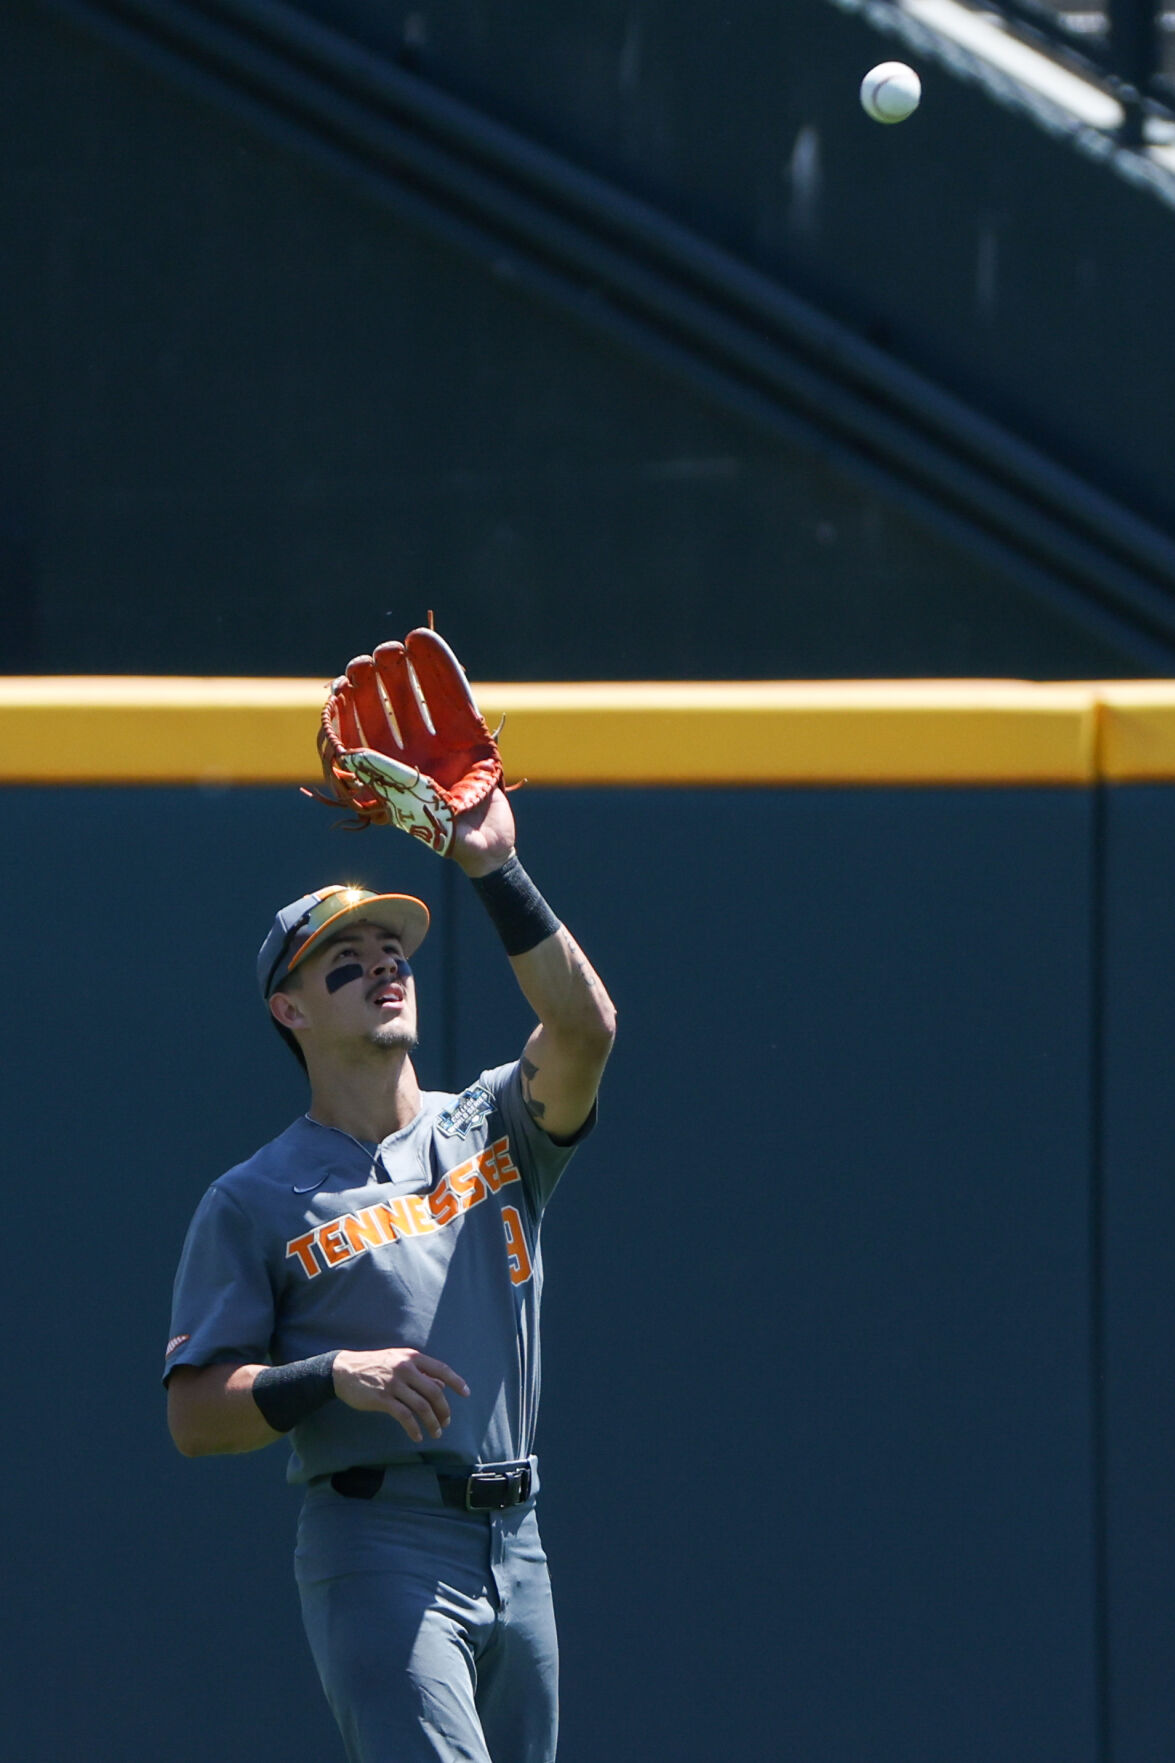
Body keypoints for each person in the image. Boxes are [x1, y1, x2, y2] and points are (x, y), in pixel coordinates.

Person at [163, 763, 616, 1763]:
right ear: (291, 1010)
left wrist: (496, 869)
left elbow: (585, 1028)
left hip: (518, 1537)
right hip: (379, 1543)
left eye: (392, 948)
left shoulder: (493, 1122)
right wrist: (331, 1371)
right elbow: (195, 1415)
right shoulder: (254, 1197)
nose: (385, 965)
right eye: (346, 958)